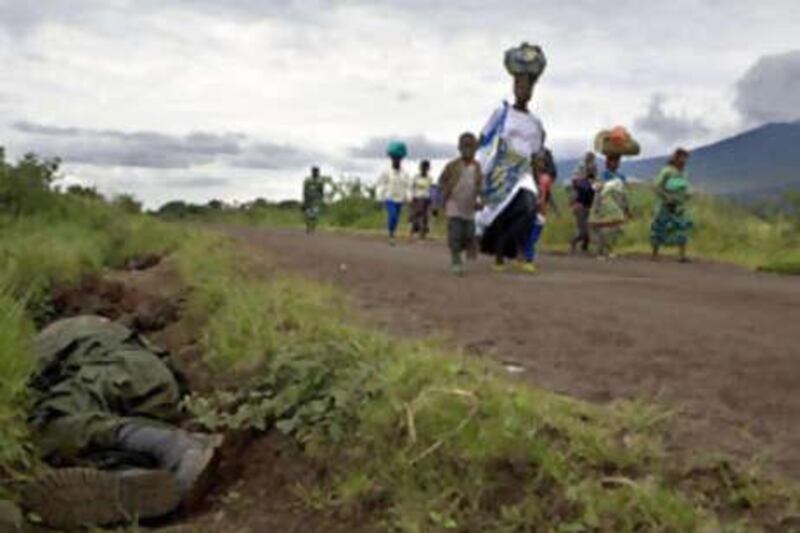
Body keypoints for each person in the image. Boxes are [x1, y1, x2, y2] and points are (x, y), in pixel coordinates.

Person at [22, 316, 222, 529]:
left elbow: (26, 391)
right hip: (157, 388)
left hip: (118, 372)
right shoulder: (107, 331)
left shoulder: (48, 341)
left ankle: (175, 446)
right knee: (94, 438)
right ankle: (137, 476)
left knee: (51, 423)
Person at [476, 42, 547, 273]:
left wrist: (539, 186)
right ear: (514, 88)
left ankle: (510, 249)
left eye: (527, 87)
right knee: (503, 211)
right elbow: (484, 139)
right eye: (519, 85)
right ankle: (500, 253)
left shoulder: (536, 124)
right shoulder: (502, 113)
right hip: (501, 170)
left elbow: (537, 155)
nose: (523, 90)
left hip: (523, 172)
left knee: (527, 207)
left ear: (532, 92)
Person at [438, 132, 483, 276]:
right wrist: (442, 196)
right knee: (455, 234)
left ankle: (467, 249)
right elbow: (441, 181)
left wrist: (480, 201)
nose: (467, 150)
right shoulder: (452, 166)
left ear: (476, 149)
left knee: (469, 234)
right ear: (459, 148)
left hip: (469, 207)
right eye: (464, 146)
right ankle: (456, 261)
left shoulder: (477, 167)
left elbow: (480, 186)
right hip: (454, 204)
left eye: (471, 147)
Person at [651, 148, 693, 262]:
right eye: (682, 157)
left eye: (686, 158)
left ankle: (681, 255)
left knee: (681, 227)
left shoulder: (683, 173)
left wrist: (688, 194)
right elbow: (655, 186)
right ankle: (655, 254)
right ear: (676, 158)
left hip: (679, 206)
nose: (684, 160)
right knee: (659, 227)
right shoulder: (667, 171)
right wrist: (666, 196)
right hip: (665, 205)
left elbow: (684, 187)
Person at [589, 154, 631, 259]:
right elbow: (598, 191)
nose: (616, 164)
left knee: (615, 229)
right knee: (604, 230)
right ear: (608, 163)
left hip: (617, 205)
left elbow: (623, 193)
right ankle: (600, 252)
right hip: (605, 206)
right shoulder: (602, 176)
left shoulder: (621, 177)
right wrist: (597, 206)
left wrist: (626, 207)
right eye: (614, 161)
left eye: (617, 161)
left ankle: (609, 249)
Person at [522, 149, 556, 271]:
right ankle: (528, 260)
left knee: (534, 236)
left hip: (541, 211)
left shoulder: (546, 178)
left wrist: (551, 207)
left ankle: (525, 255)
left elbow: (547, 195)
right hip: (528, 210)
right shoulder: (527, 177)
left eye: (543, 161)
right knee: (530, 236)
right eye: (538, 160)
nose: (541, 163)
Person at [376, 141, 411, 245]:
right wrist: (379, 197)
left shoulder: (404, 173)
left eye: (398, 158)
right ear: (391, 159)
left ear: (401, 160)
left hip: (400, 198)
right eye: (394, 158)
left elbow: (407, 187)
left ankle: (392, 232)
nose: (396, 160)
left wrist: (409, 198)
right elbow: (380, 184)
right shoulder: (386, 172)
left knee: (396, 218)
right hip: (389, 197)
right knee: (393, 215)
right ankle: (391, 234)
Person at [569, 152, 598, 253]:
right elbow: (577, 191)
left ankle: (584, 249)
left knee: (587, 232)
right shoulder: (580, 183)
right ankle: (573, 243)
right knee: (583, 232)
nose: (592, 165)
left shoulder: (591, 184)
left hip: (588, 207)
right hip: (580, 206)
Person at [409, 160, 434, 239]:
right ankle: (414, 230)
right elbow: (412, 187)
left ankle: (423, 232)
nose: (424, 169)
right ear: (420, 168)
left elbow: (431, 189)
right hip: (416, 198)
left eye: (426, 167)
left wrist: (432, 200)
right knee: (416, 215)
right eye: (422, 167)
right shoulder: (416, 177)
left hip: (426, 199)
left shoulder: (429, 178)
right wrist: (411, 198)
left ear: (428, 169)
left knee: (425, 216)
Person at [302, 166, 325, 234]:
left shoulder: (320, 181)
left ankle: (313, 228)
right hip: (308, 200)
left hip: (316, 200)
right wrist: (304, 200)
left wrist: (321, 199)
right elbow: (304, 191)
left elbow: (321, 191)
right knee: (307, 215)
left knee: (315, 215)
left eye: (317, 172)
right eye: (314, 171)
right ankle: (308, 227)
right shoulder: (308, 180)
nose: (316, 173)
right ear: (312, 172)